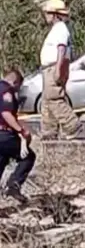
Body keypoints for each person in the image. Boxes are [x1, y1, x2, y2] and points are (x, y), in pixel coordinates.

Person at [39, 0, 83, 140]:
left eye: (48, 13)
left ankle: (72, 125)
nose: (46, 16)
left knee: (54, 98)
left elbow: (61, 49)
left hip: (54, 67)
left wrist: (58, 68)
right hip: (49, 68)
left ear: (55, 14)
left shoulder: (60, 29)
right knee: (47, 100)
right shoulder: (56, 29)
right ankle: (49, 131)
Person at [0, 68, 36, 203]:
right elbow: (6, 113)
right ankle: (13, 186)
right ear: (15, 82)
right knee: (28, 157)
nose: (17, 91)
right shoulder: (6, 91)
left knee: (2, 159)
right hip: (3, 134)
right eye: (18, 87)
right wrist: (21, 131)